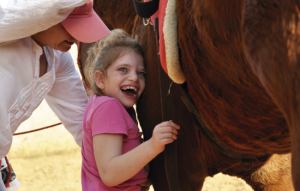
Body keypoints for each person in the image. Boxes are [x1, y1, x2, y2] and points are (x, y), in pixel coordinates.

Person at [0, 0, 110, 190]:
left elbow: (82, 123)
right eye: (69, 25)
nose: (76, 38)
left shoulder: (57, 58)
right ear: (43, 17)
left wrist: (123, 158)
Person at [81, 29, 180, 191]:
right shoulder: (108, 107)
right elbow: (110, 174)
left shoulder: (104, 105)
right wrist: (152, 146)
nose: (134, 77)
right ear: (100, 79)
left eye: (141, 73)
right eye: (123, 69)